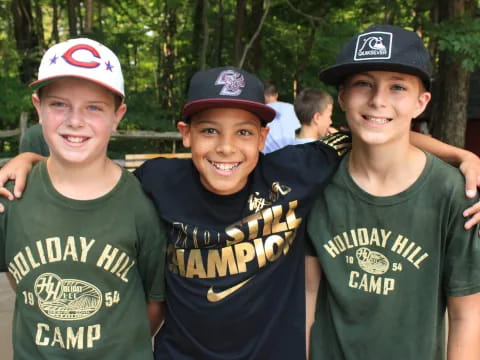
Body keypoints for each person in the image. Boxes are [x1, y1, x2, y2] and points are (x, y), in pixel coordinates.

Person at [1, 66, 480, 360]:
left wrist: (460, 156)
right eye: (209, 131)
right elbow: (85, 169)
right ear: (185, 133)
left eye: (244, 132)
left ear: (264, 136)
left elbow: (374, 129)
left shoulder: (296, 170)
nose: (226, 148)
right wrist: (31, 160)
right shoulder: (158, 179)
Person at [305, 24, 480, 360]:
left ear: (421, 102)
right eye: (363, 84)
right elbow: (308, 293)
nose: (378, 100)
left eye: (397, 87)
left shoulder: (453, 193)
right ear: (342, 97)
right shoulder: (316, 180)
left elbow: (467, 314)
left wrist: (463, 157)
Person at [0, 38, 167, 359]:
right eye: (59, 104)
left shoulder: (142, 206)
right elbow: (21, 279)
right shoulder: (12, 196)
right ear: (38, 107)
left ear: (118, 115)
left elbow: (154, 303)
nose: (75, 120)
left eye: (94, 107)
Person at [262, 81, 301, 153]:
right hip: (293, 152)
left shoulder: (261, 111)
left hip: (269, 156)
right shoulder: (291, 108)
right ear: (276, 95)